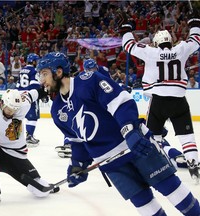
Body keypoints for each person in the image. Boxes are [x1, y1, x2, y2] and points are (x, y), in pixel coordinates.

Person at [37, 52, 200, 215]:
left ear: (58, 72)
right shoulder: (57, 110)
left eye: (44, 74)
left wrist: (129, 132)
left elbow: (121, 102)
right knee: (142, 202)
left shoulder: (89, 81)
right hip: (111, 164)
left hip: (135, 145)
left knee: (170, 187)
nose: (41, 80)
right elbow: (78, 141)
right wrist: (77, 165)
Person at [120, 12, 200, 183]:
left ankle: (157, 167)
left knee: (153, 137)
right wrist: (194, 23)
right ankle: (195, 169)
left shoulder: (151, 52)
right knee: (187, 137)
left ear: (156, 42)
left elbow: (128, 45)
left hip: (158, 101)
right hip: (179, 100)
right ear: (171, 41)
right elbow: (196, 40)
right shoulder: (181, 48)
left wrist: (126, 28)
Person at [16, 53, 42, 147]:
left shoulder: (22, 70)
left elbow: (18, 86)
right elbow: (34, 85)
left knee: (18, 116)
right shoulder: (34, 71)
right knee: (32, 117)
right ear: (34, 61)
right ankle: (29, 136)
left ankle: (15, 136)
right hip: (30, 96)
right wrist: (39, 94)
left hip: (20, 96)